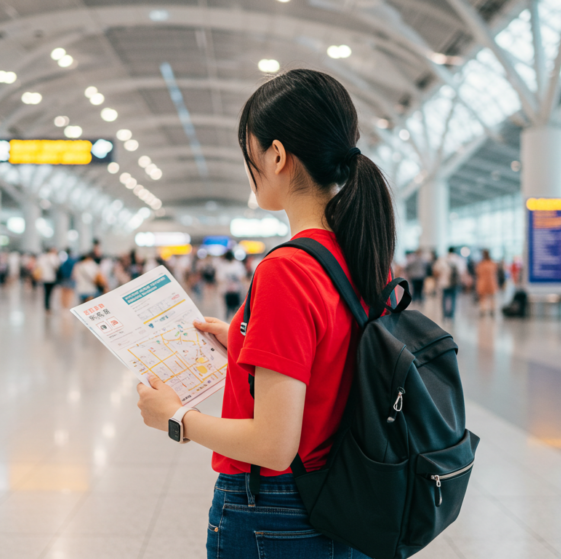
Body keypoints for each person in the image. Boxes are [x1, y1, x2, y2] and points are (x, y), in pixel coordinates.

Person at [136, 69, 389, 558]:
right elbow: (334, 361)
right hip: (346, 498)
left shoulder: (287, 268)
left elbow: (274, 445)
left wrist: (176, 418)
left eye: (248, 153)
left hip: (277, 513)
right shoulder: (361, 256)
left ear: (276, 156)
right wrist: (250, 345)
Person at [217, 251, 246, 320]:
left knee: (236, 307)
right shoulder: (224, 265)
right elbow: (219, 278)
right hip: (228, 290)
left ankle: (235, 320)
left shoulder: (237, 264)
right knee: (228, 308)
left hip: (235, 289)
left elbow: (242, 276)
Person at [433, 248, 460, 319]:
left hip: (443, 282)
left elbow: (436, 271)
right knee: (453, 298)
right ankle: (452, 315)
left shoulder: (442, 259)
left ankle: (445, 314)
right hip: (454, 283)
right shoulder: (458, 259)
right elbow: (462, 272)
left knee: (444, 298)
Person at [36, 246, 60, 313]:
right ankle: (49, 306)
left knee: (46, 293)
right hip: (52, 277)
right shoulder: (54, 257)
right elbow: (57, 266)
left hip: (44, 277)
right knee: (50, 293)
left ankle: (46, 307)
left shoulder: (42, 257)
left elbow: (39, 266)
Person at [475, 249, 498, 316]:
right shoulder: (492, 263)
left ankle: (483, 310)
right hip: (491, 282)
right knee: (491, 297)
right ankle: (492, 309)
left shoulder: (481, 264)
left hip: (483, 282)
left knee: (483, 298)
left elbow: (477, 273)